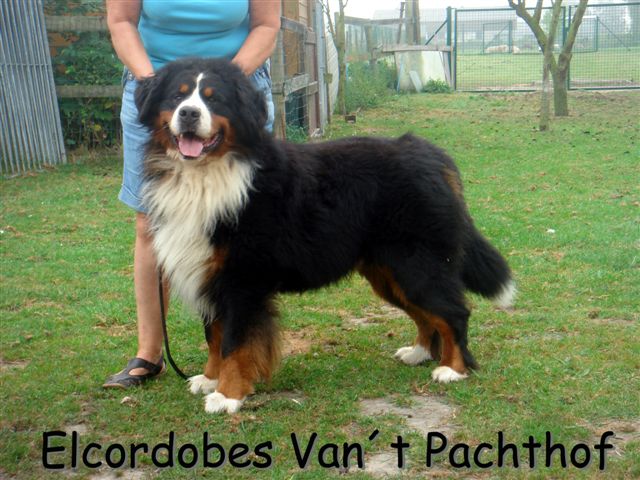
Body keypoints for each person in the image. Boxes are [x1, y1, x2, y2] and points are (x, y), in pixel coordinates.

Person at [103, 0, 280, 388]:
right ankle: (149, 353)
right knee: (150, 224)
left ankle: (238, 355)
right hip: (157, 91)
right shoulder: (160, 93)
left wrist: (225, 81)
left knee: (243, 232)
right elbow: (120, 20)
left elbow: (266, 25)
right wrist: (155, 84)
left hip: (233, 93)